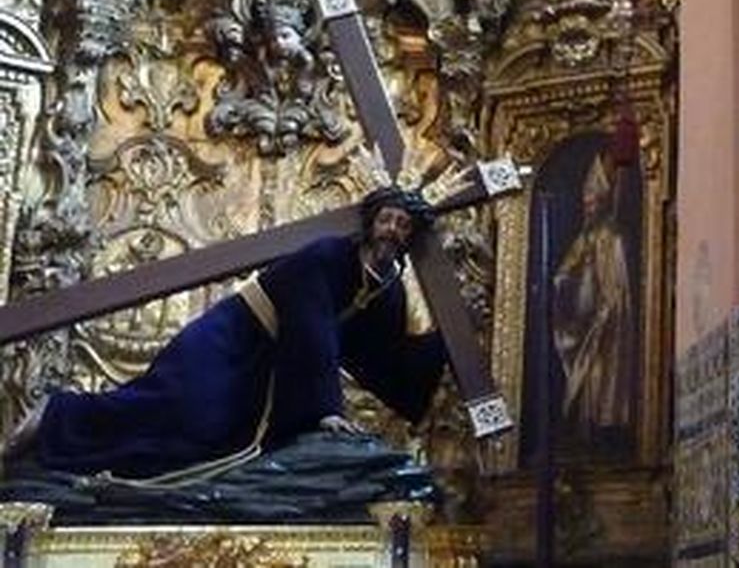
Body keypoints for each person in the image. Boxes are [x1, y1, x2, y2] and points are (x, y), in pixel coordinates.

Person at [3, 187, 445, 483]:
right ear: (370, 223)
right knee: (177, 408)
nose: (392, 231)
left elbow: (377, 355)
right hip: (229, 340)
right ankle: (58, 415)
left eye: (403, 226)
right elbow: (311, 332)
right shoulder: (327, 257)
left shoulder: (386, 291)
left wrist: (440, 352)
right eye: (387, 220)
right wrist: (324, 409)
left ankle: (106, 474)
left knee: (202, 439)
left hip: (262, 369)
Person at [551, 153, 634, 434]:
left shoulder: (612, 237)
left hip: (608, 320)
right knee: (585, 378)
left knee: (602, 375)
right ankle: (586, 424)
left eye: (592, 197)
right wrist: (564, 285)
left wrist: (604, 311)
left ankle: (605, 425)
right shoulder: (586, 237)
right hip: (586, 320)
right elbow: (565, 272)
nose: (587, 204)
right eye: (585, 198)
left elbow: (617, 287)